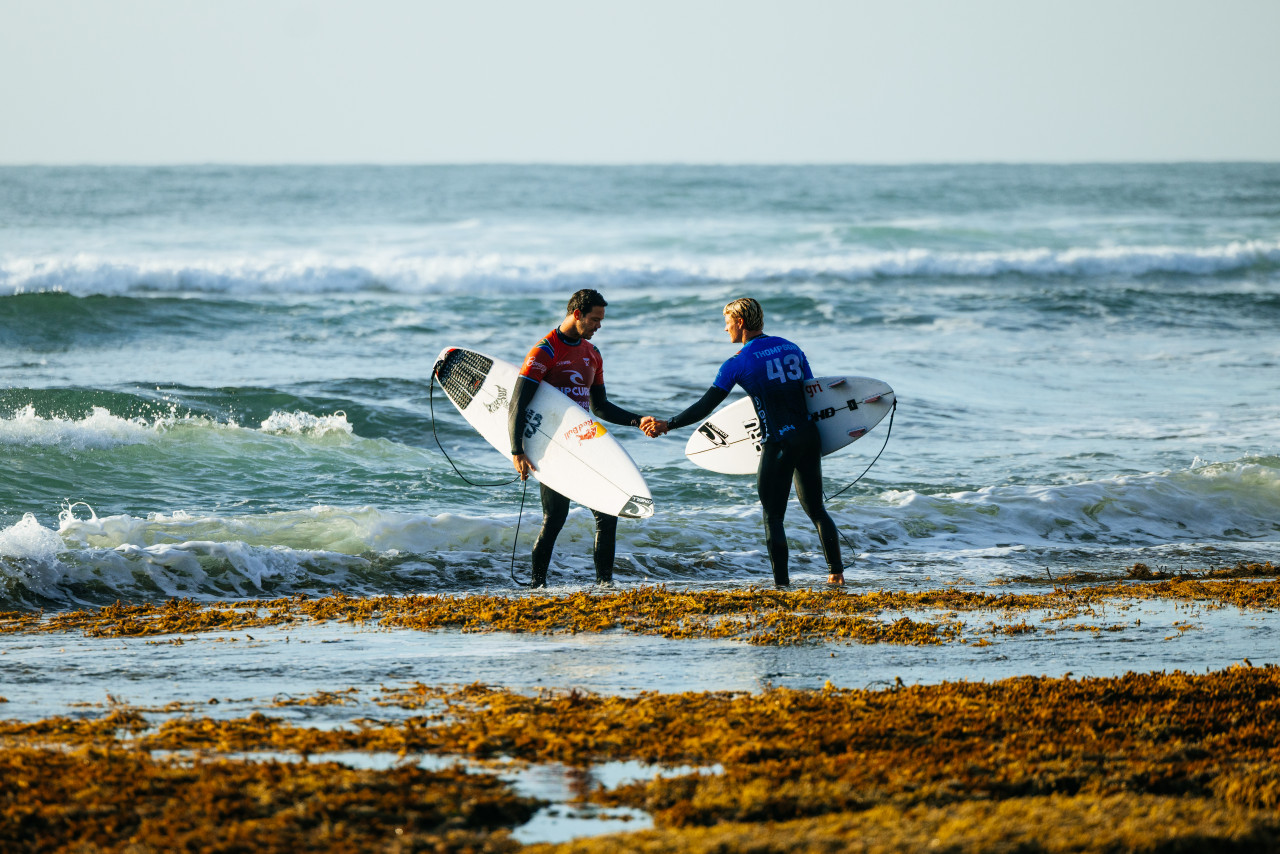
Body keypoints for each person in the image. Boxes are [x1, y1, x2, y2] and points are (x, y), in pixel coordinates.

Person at [641, 297, 845, 586]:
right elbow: (813, 391)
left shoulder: (737, 362)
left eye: (727, 323)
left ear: (740, 322)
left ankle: (781, 585)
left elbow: (705, 406)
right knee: (817, 510)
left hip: (778, 442)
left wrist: (669, 424)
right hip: (809, 437)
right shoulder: (791, 347)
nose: (725, 329)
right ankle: (836, 574)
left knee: (773, 517)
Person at [509, 289, 649, 588]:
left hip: (585, 446)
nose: (599, 326)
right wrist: (516, 449)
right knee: (554, 519)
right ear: (577, 314)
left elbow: (600, 407)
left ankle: (605, 585)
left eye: (601, 320)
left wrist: (637, 420)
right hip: (555, 449)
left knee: (607, 514)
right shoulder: (545, 351)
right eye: (595, 319)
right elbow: (518, 403)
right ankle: (537, 586)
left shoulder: (592, 353)